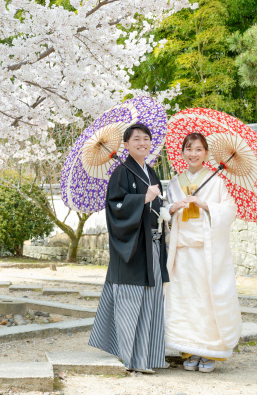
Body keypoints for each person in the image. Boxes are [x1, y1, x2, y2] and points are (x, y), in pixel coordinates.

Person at [88, 122, 168, 374]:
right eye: (136, 139)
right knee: (130, 301)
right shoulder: (121, 173)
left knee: (150, 301)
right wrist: (143, 198)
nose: (142, 143)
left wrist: (167, 210)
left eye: (146, 138)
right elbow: (115, 208)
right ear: (126, 145)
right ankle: (130, 359)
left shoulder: (151, 173)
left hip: (153, 246)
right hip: (132, 247)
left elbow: (157, 207)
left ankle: (145, 357)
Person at [164, 132, 240, 373]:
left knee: (207, 300)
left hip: (206, 252)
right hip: (181, 251)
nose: (193, 154)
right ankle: (189, 350)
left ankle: (209, 352)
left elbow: (229, 210)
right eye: (189, 149)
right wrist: (173, 208)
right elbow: (164, 211)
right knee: (184, 301)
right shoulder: (175, 182)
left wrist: (206, 205)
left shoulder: (217, 181)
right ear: (182, 152)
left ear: (206, 153)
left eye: (198, 149)